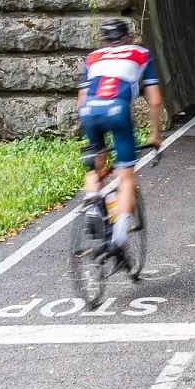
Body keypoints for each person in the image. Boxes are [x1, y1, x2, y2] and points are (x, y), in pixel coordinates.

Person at [78, 19, 163, 258]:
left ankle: (92, 199)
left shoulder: (93, 57)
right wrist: (155, 134)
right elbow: (155, 100)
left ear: (102, 40)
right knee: (126, 177)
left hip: (89, 110)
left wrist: (91, 133)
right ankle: (119, 238)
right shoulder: (141, 54)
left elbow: (82, 97)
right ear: (129, 37)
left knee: (95, 164)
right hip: (117, 110)